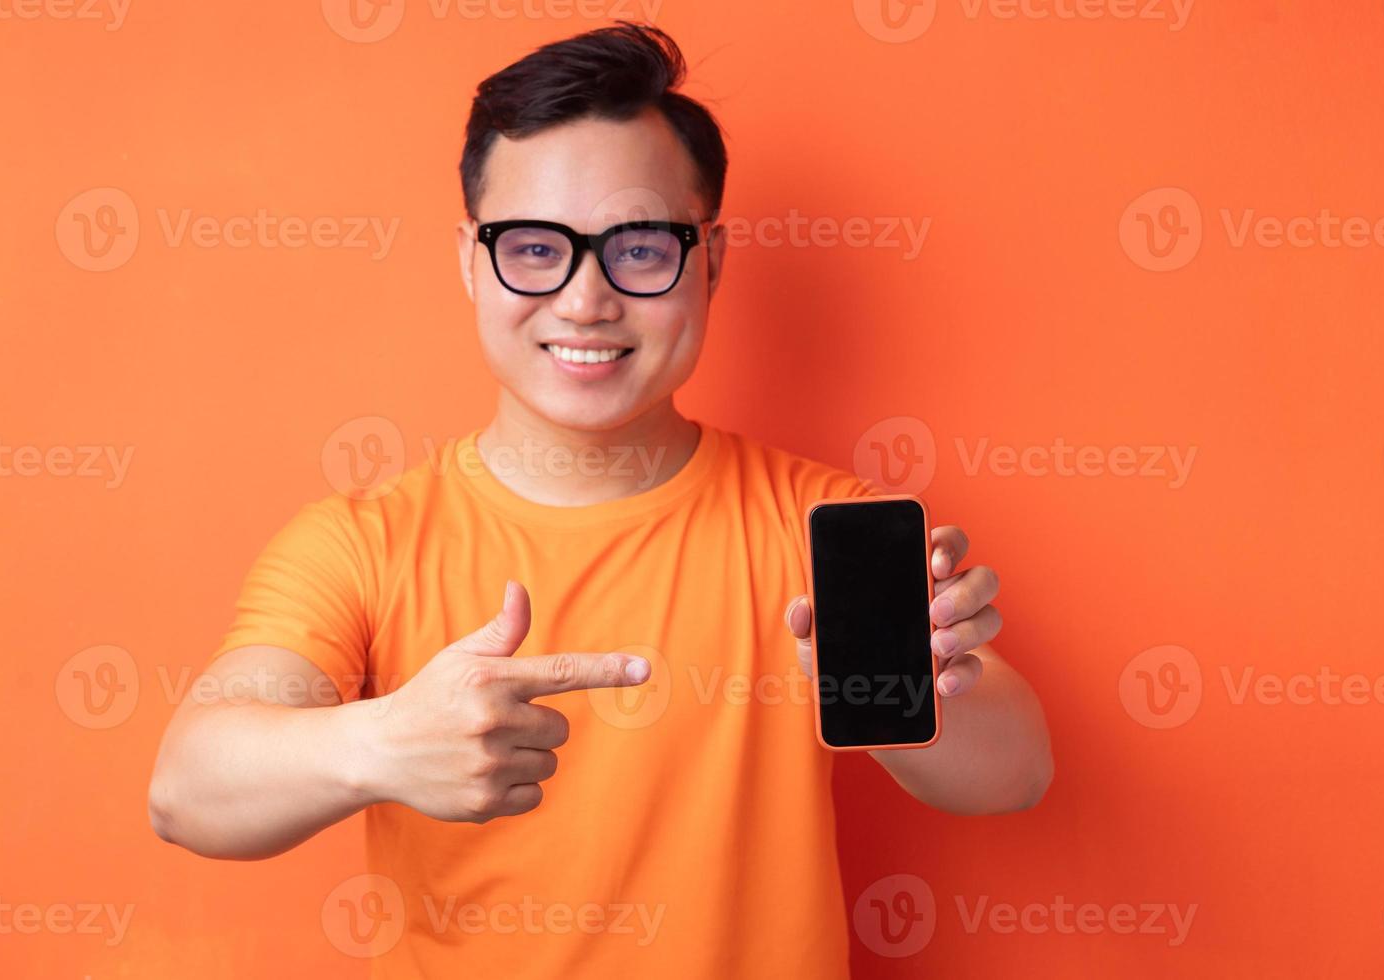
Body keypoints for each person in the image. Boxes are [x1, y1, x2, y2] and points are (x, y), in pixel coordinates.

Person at [147, 22, 1053, 978]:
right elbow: (187, 790)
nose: (585, 300)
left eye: (639, 247)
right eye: (535, 249)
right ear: (468, 260)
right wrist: (381, 745)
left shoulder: (825, 530)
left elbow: (1016, 776)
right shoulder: (361, 544)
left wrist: (902, 686)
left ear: (711, 259)